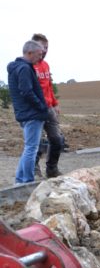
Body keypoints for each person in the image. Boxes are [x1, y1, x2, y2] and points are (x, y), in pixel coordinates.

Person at [7, 40, 49, 184]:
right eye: (39, 54)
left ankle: (19, 181)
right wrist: (41, 107)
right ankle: (28, 182)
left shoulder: (17, 68)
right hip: (31, 114)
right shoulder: (24, 68)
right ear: (29, 53)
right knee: (31, 148)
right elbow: (26, 91)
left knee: (28, 148)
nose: (40, 57)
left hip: (25, 114)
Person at [31, 33, 64, 178]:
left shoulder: (45, 65)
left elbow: (48, 86)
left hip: (49, 109)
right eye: (42, 47)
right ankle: (34, 170)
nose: (45, 51)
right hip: (35, 109)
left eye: (47, 48)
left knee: (57, 139)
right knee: (35, 142)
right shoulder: (29, 66)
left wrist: (55, 103)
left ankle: (52, 169)